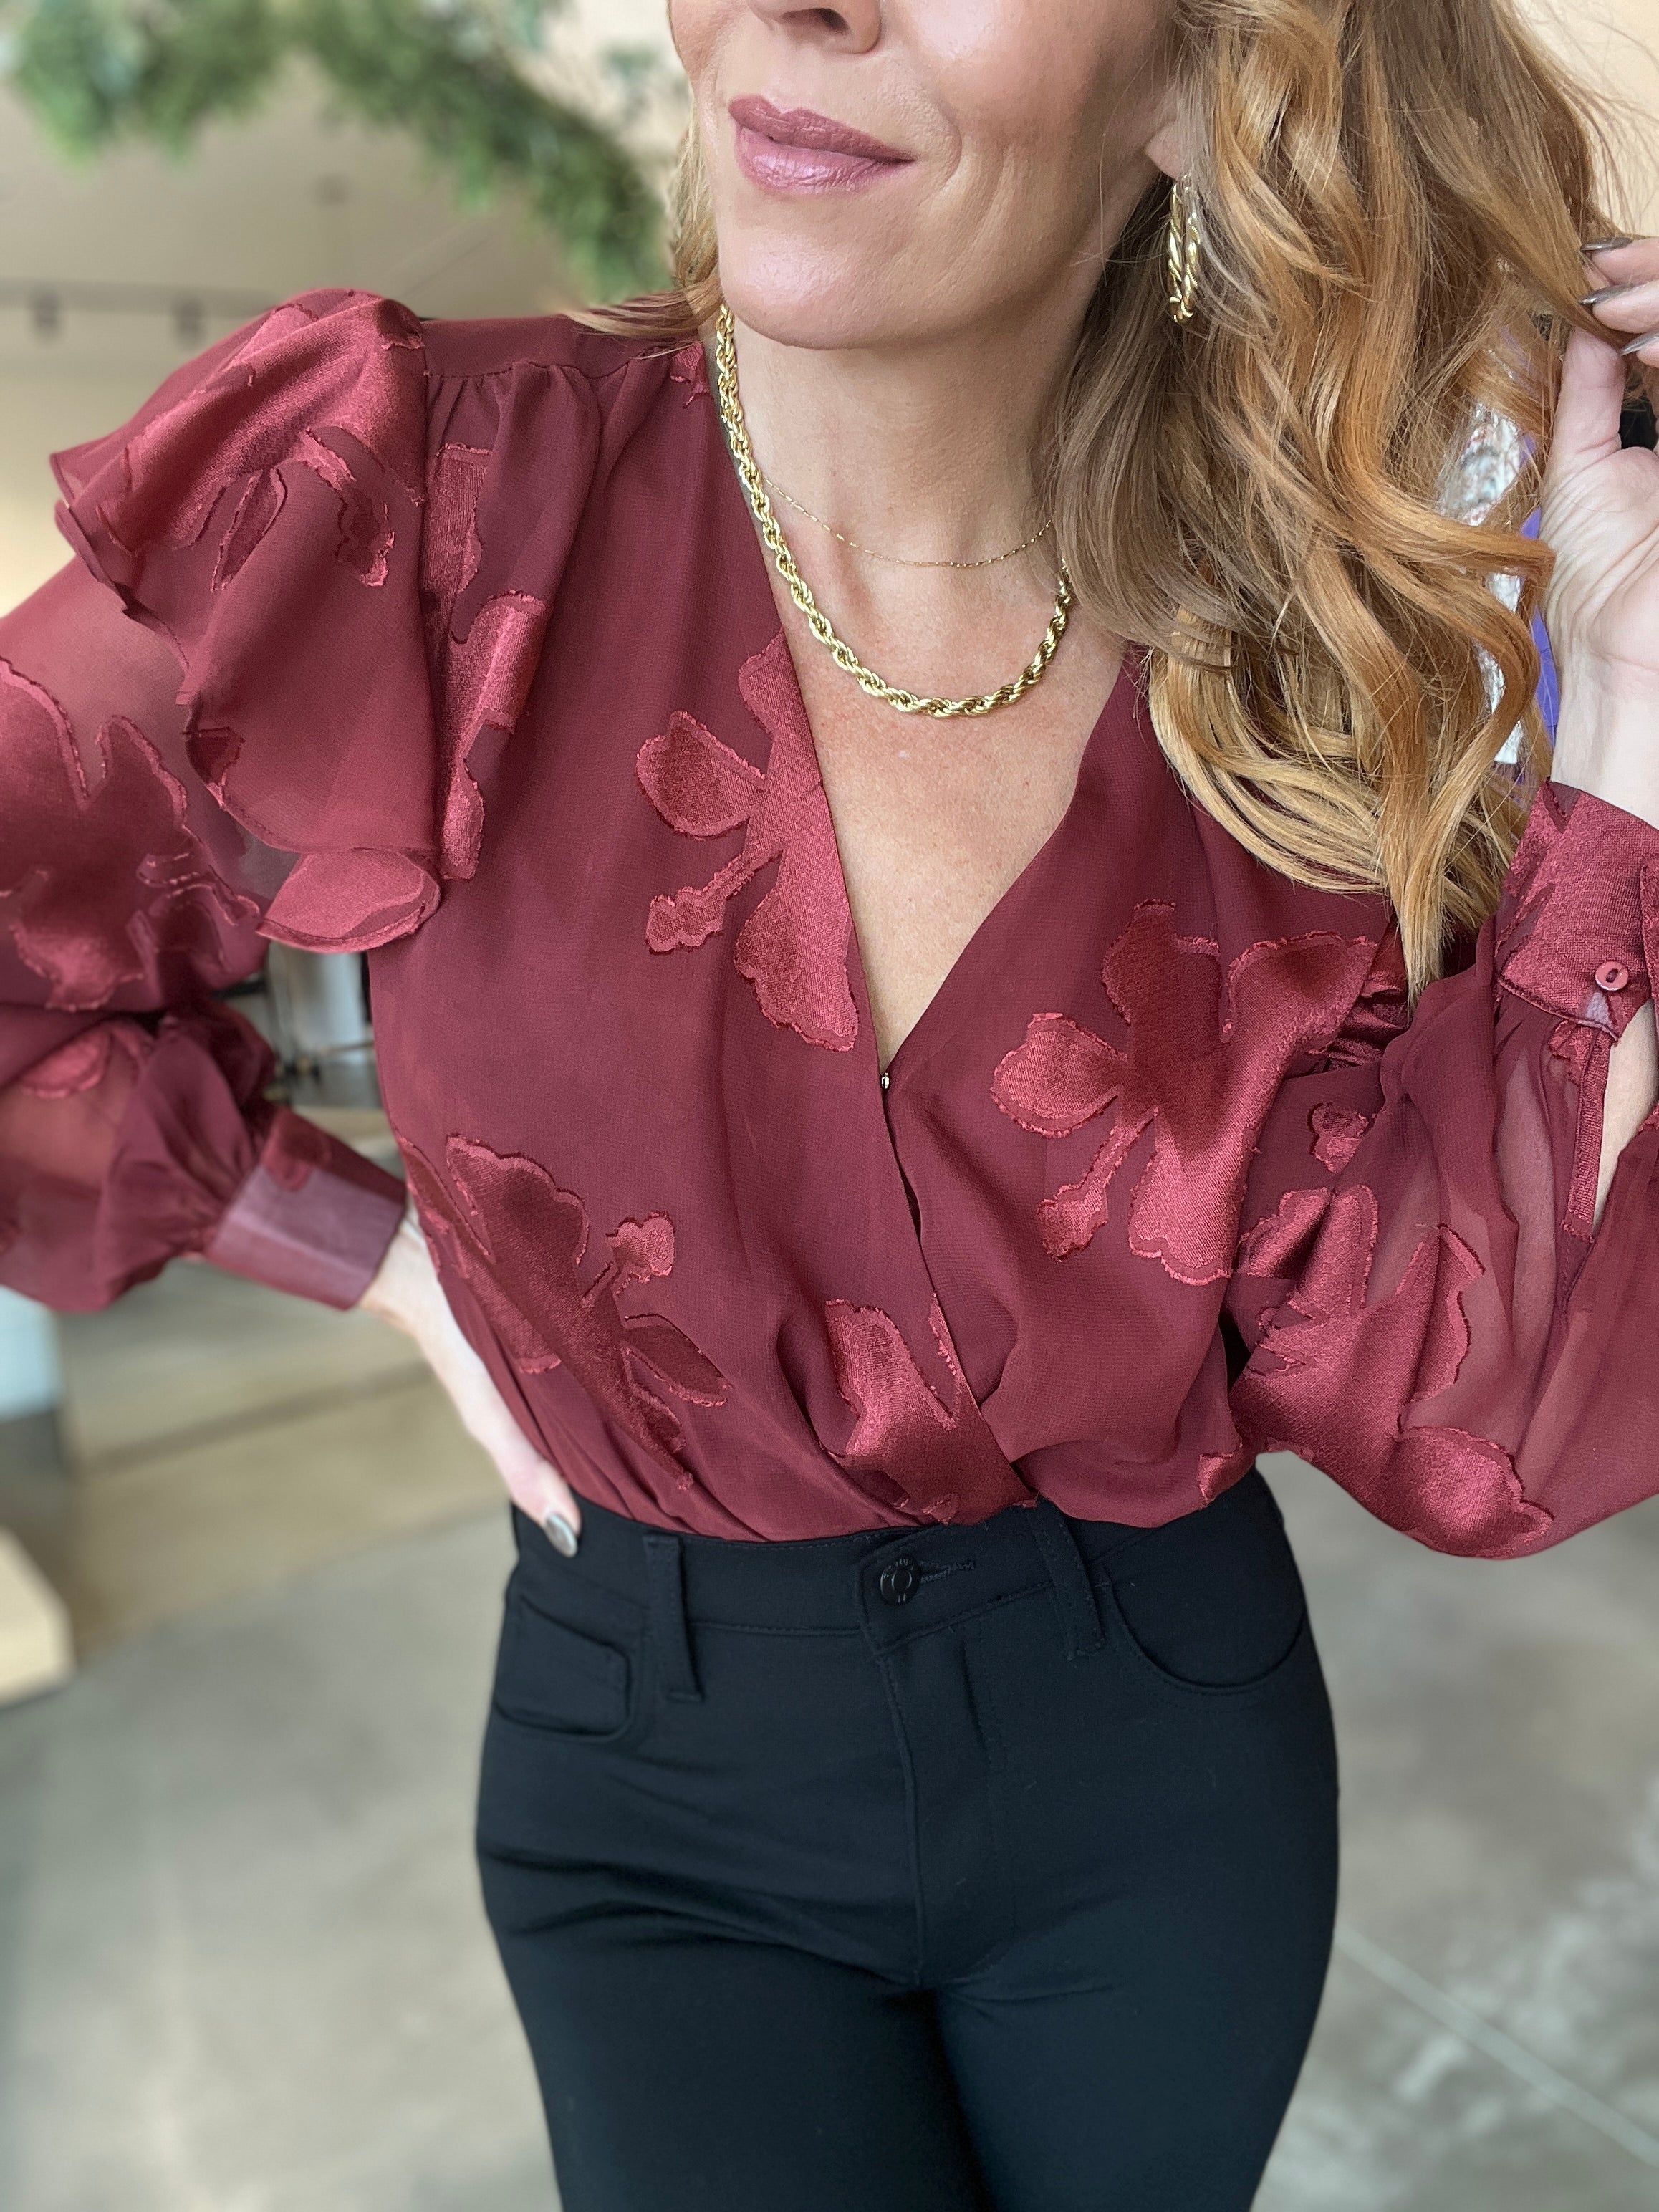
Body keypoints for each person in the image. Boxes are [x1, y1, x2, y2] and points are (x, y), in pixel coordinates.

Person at [4, 0, 1659, 2204]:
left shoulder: (1298, 662)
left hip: (1161, 1751)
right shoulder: (409, 503)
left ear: (1196, 82)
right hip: (653, 1762)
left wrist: (1628, 705)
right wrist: (374, 1253)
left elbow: (1474, 1411)